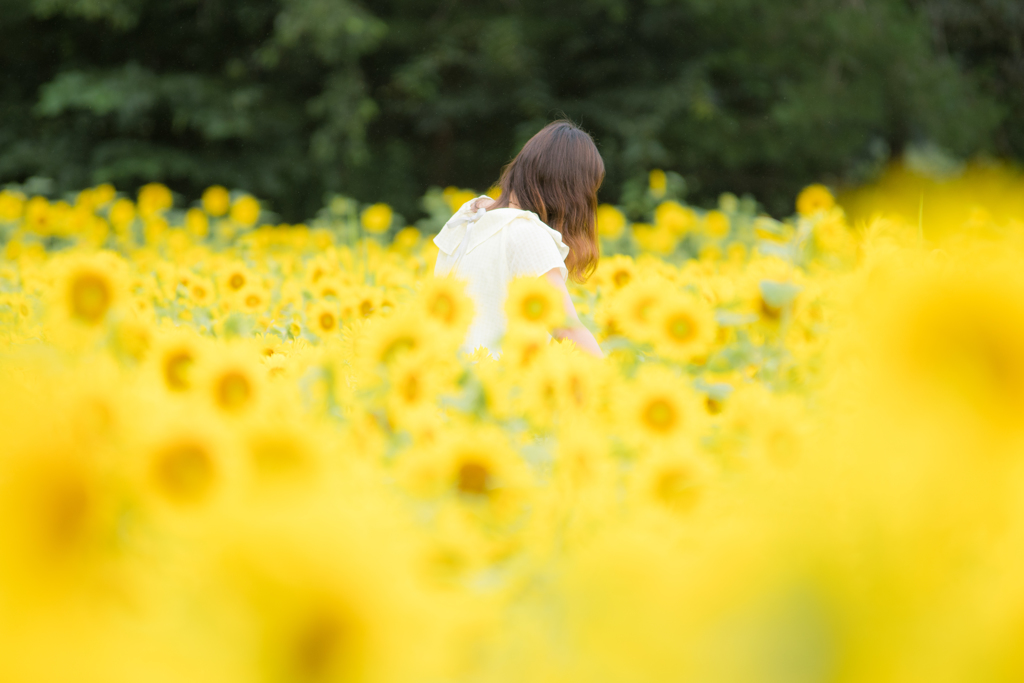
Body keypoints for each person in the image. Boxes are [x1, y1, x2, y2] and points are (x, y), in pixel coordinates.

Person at [433, 120, 605, 358]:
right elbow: (567, 329)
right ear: (572, 194)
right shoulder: (526, 233)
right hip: (492, 386)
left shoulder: (468, 219)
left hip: (445, 379)